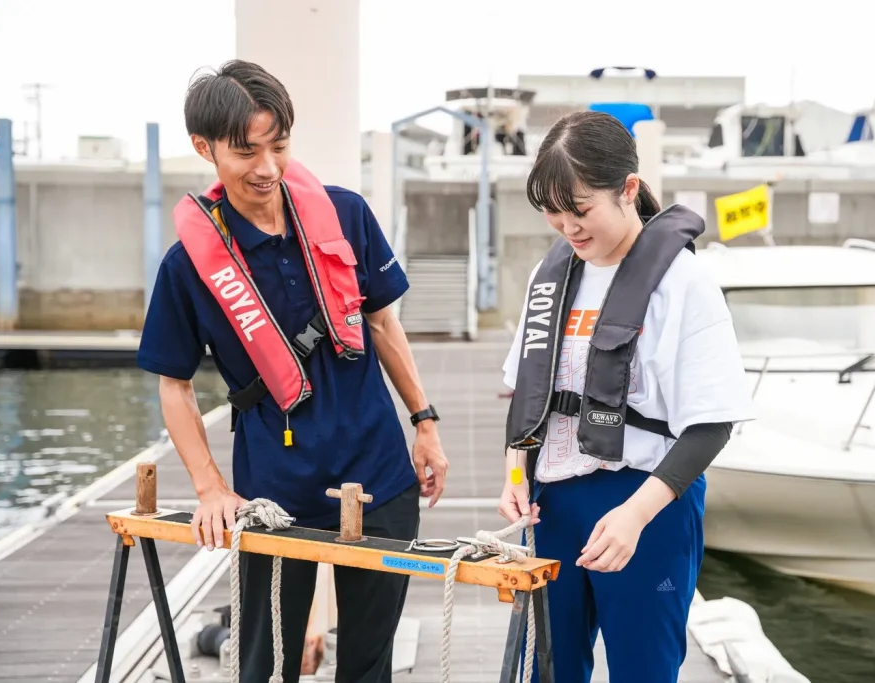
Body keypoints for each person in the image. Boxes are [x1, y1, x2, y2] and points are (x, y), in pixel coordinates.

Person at [136, 59, 449, 683]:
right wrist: (209, 489)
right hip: (273, 490)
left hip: (379, 474)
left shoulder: (346, 214)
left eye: (279, 146)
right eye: (247, 151)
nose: (268, 168)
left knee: (367, 665)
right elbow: (174, 386)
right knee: (265, 664)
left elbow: (384, 325)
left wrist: (424, 421)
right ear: (206, 148)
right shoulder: (186, 266)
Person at [498, 110, 755, 683]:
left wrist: (635, 516)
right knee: (548, 668)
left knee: (644, 670)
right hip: (554, 502)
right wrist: (515, 471)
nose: (569, 228)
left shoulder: (685, 284)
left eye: (581, 210)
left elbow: (712, 424)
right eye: (554, 215)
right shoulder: (554, 274)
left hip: (648, 505)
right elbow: (527, 389)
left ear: (628, 190)